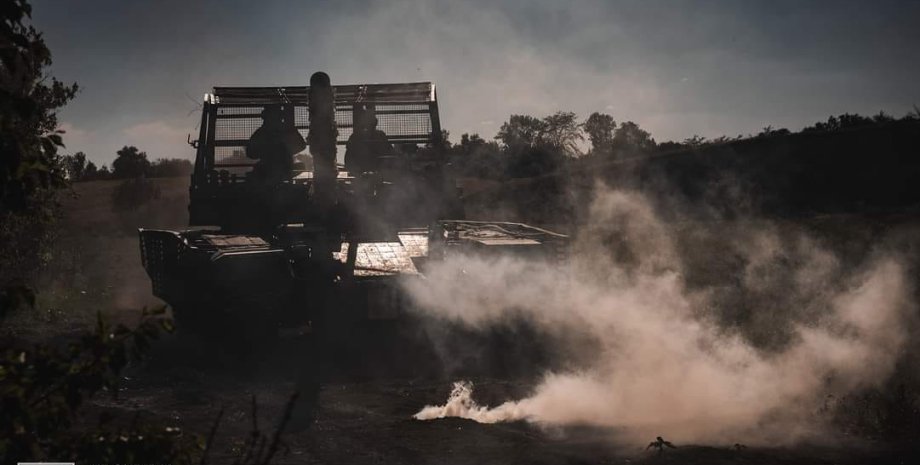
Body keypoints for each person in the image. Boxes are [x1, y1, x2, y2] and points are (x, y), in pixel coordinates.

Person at [246, 104, 306, 183]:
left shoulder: (262, 132)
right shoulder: (285, 130)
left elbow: (250, 153)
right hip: (275, 169)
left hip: (273, 169)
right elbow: (301, 145)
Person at [344, 104, 392, 174]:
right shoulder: (379, 134)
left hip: (364, 167)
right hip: (370, 167)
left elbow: (349, 154)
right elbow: (389, 150)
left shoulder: (356, 135)